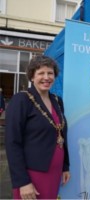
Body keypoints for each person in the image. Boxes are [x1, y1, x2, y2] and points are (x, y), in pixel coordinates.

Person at [5, 55, 71, 199]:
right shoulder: (21, 100)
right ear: (32, 76)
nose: (46, 77)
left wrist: (65, 166)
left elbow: (61, 133)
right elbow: (12, 143)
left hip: (54, 171)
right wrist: (22, 182)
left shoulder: (57, 101)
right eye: (41, 73)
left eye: (50, 73)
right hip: (32, 175)